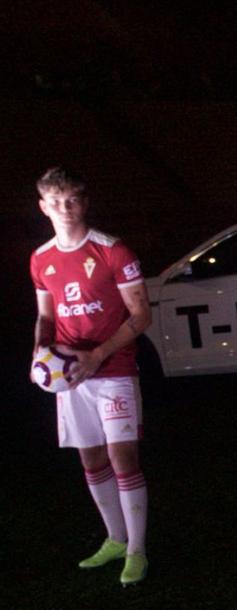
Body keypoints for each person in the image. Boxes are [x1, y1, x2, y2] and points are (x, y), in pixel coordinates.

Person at [30, 167, 153, 586]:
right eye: (55, 202)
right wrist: (40, 351)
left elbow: (141, 315)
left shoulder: (113, 251)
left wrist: (98, 354)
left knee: (123, 458)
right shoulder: (41, 258)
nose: (64, 209)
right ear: (43, 206)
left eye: (72, 200)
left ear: (84, 202)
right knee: (91, 458)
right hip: (70, 377)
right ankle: (115, 538)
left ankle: (137, 549)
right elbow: (46, 315)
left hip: (113, 369)